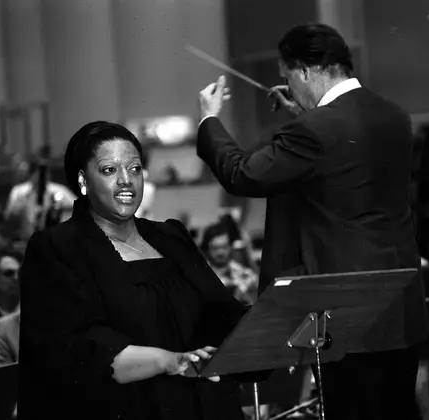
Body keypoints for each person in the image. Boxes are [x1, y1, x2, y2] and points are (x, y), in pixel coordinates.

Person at [195, 23, 427, 420]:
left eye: (287, 76)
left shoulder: (313, 131)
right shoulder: (394, 117)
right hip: (400, 306)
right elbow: (342, 170)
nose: (289, 86)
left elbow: (244, 174)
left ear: (304, 71)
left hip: (347, 311)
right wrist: (308, 114)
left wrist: (209, 122)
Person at [18, 121, 254, 420]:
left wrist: (271, 317)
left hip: (204, 406)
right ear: (82, 180)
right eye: (109, 170)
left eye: (134, 168)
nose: (126, 180)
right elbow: (80, 351)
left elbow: (221, 312)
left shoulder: (171, 236)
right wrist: (168, 361)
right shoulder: (57, 248)